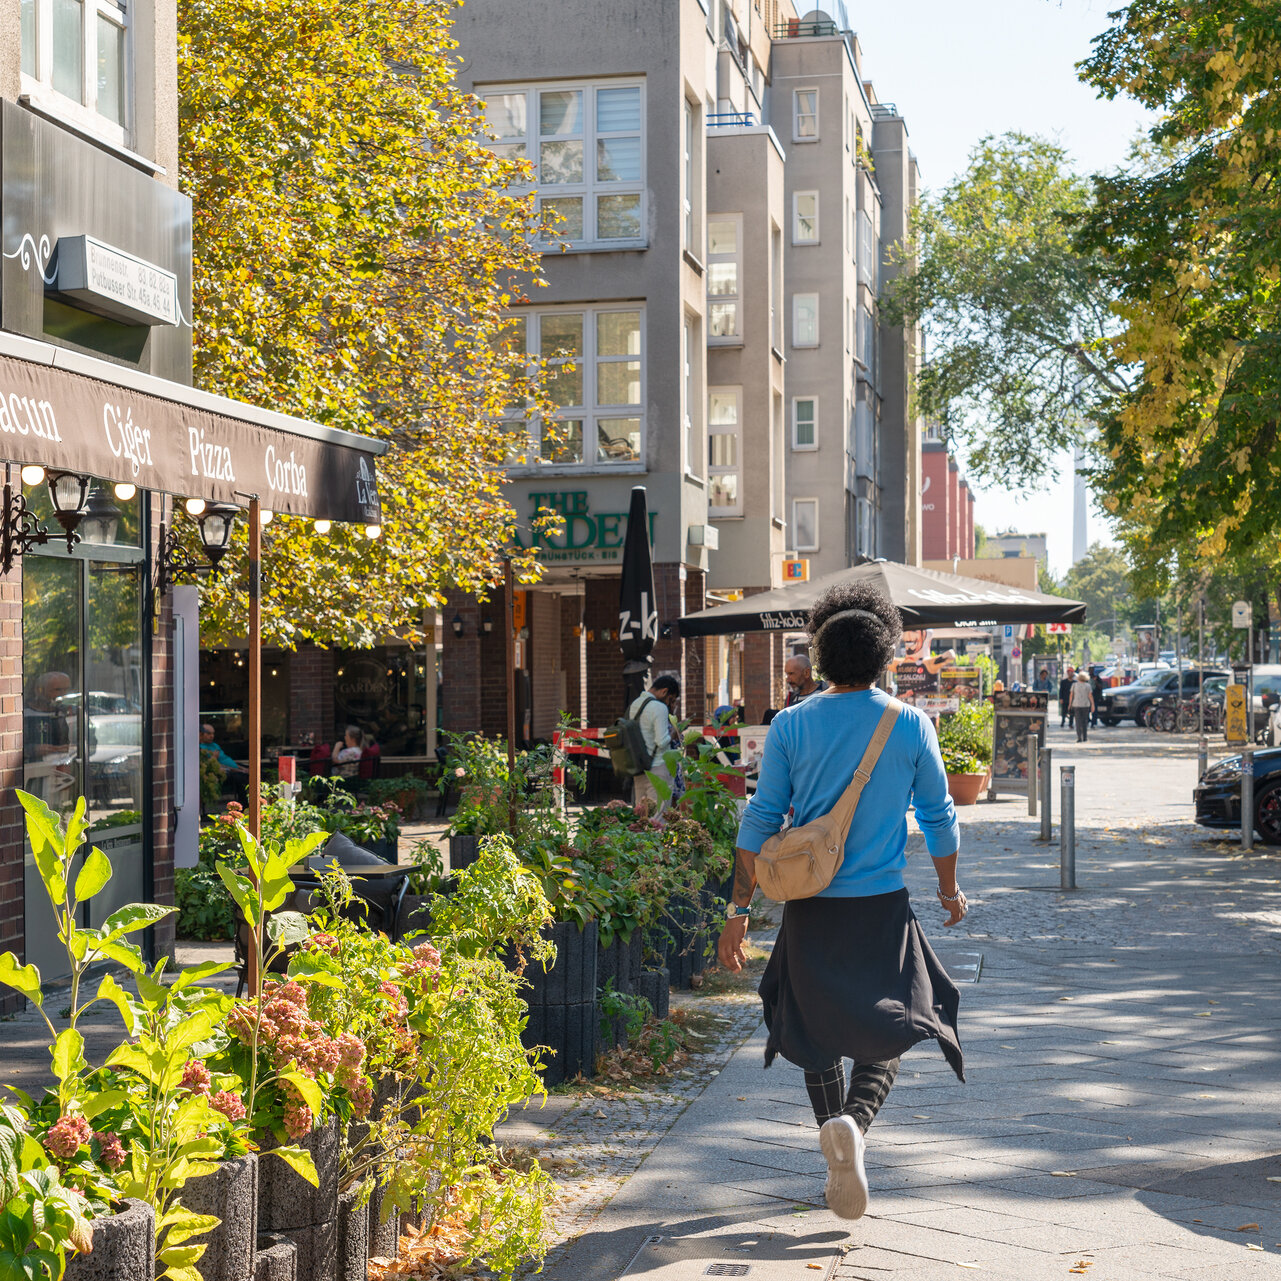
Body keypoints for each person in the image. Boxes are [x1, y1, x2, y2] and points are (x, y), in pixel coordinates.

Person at [717, 582, 966, 1222]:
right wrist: (947, 889)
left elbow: (759, 820)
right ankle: (855, 1122)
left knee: (817, 1030)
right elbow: (941, 818)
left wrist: (736, 913)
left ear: (821, 658)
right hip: (881, 907)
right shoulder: (911, 724)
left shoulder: (791, 725)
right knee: (885, 1030)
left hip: (810, 909)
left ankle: (834, 1133)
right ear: (886, 655)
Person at [629, 675, 682, 814]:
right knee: (658, 817)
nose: (670, 704)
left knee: (641, 816)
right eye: (671, 699)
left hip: (639, 766)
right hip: (658, 766)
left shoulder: (635, 703)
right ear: (664, 692)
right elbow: (662, 741)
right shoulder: (659, 707)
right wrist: (675, 733)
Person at [199, 722, 249, 803]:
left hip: (234, 767)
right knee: (241, 778)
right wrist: (241, 771)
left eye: (213, 733)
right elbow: (216, 765)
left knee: (258, 772)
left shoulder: (215, 745)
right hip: (224, 771)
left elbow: (227, 760)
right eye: (208, 733)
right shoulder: (201, 749)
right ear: (201, 734)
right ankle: (245, 804)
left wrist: (243, 768)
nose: (212, 736)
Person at [1069, 671, 1094, 741]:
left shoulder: (1074, 685)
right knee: (1085, 721)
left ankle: (1079, 737)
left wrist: (1070, 704)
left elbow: (1071, 695)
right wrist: (1093, 704)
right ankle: (1085, 737)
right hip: (1085, 705)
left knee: (1078, 721)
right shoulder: (1088, 685)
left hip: (1076, 704)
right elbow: (1090, 696)